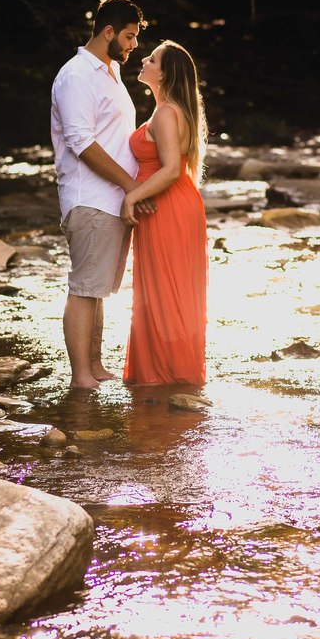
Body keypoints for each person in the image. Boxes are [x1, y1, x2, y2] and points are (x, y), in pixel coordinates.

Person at [50, 0, 149, 390]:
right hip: (89, 198)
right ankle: (80, 377)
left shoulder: (109, 72)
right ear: (107, 31)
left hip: (111, 200)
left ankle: (95, 364)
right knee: (84, 288)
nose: (134, 45)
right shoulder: (76, 75)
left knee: (98, 289)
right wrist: (131, 185)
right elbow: (81, 142)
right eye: (129, 36)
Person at [120, 41, 209, 386]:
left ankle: (168, 374)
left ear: (166, 73)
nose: (144, 59)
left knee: (166, 292)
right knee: (168, 291)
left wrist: (132, 198)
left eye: (152, 58)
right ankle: (172, 373)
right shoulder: (171, 111)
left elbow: (172, 169)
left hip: (167, 205)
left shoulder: (166, 113)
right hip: (171, 203)